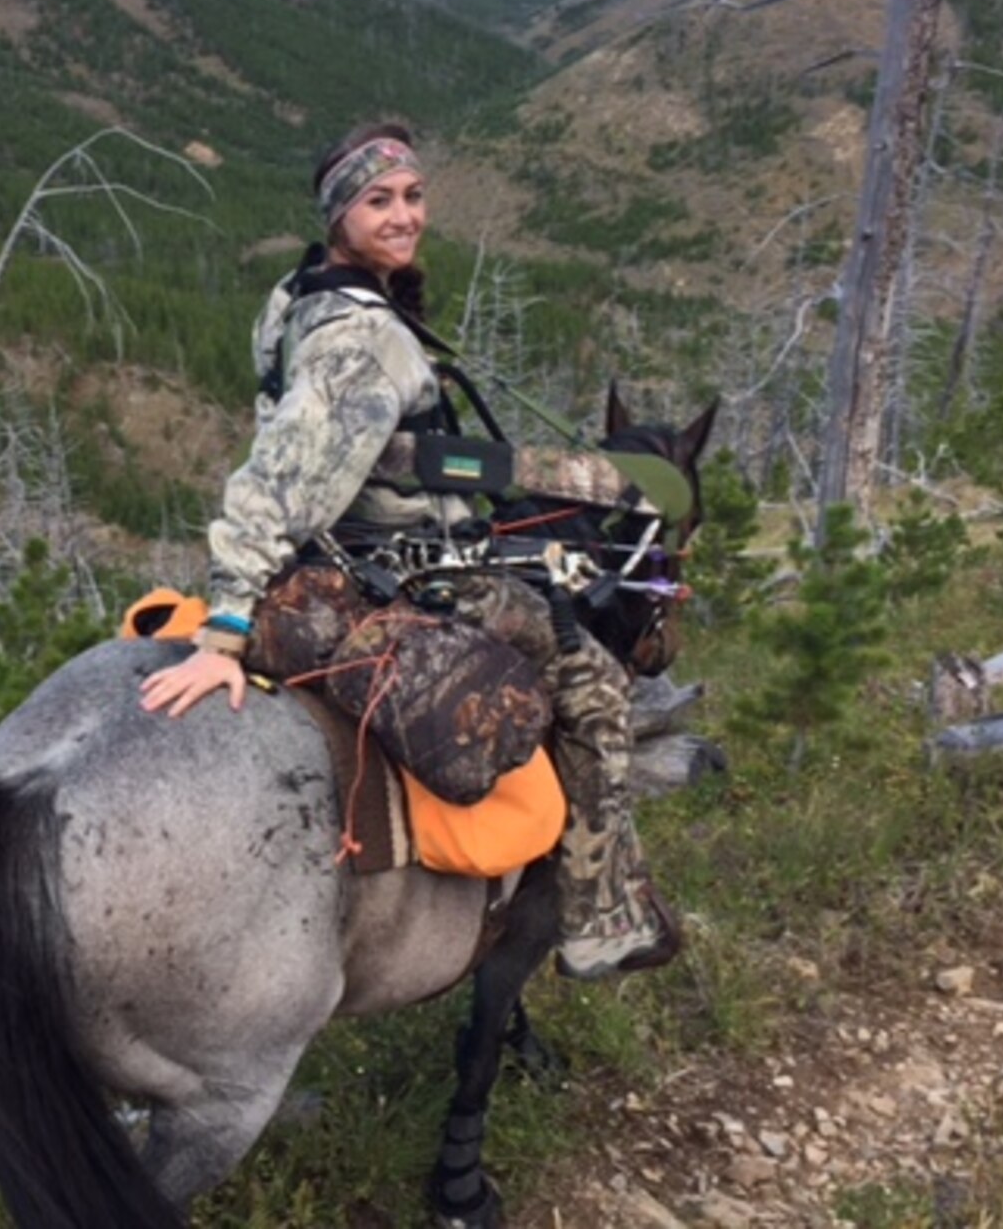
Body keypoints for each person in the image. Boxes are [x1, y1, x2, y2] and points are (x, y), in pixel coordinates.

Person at [139, 121, 680, 980]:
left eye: (413, 197)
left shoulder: (304, 297)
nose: (403, 217)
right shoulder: (365, 339)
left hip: (364, 547)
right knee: (599, 694)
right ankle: (597, 921)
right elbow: (273, 482)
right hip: (397, 571)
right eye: (377, 201)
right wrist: (224, 631)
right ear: (339, 216)